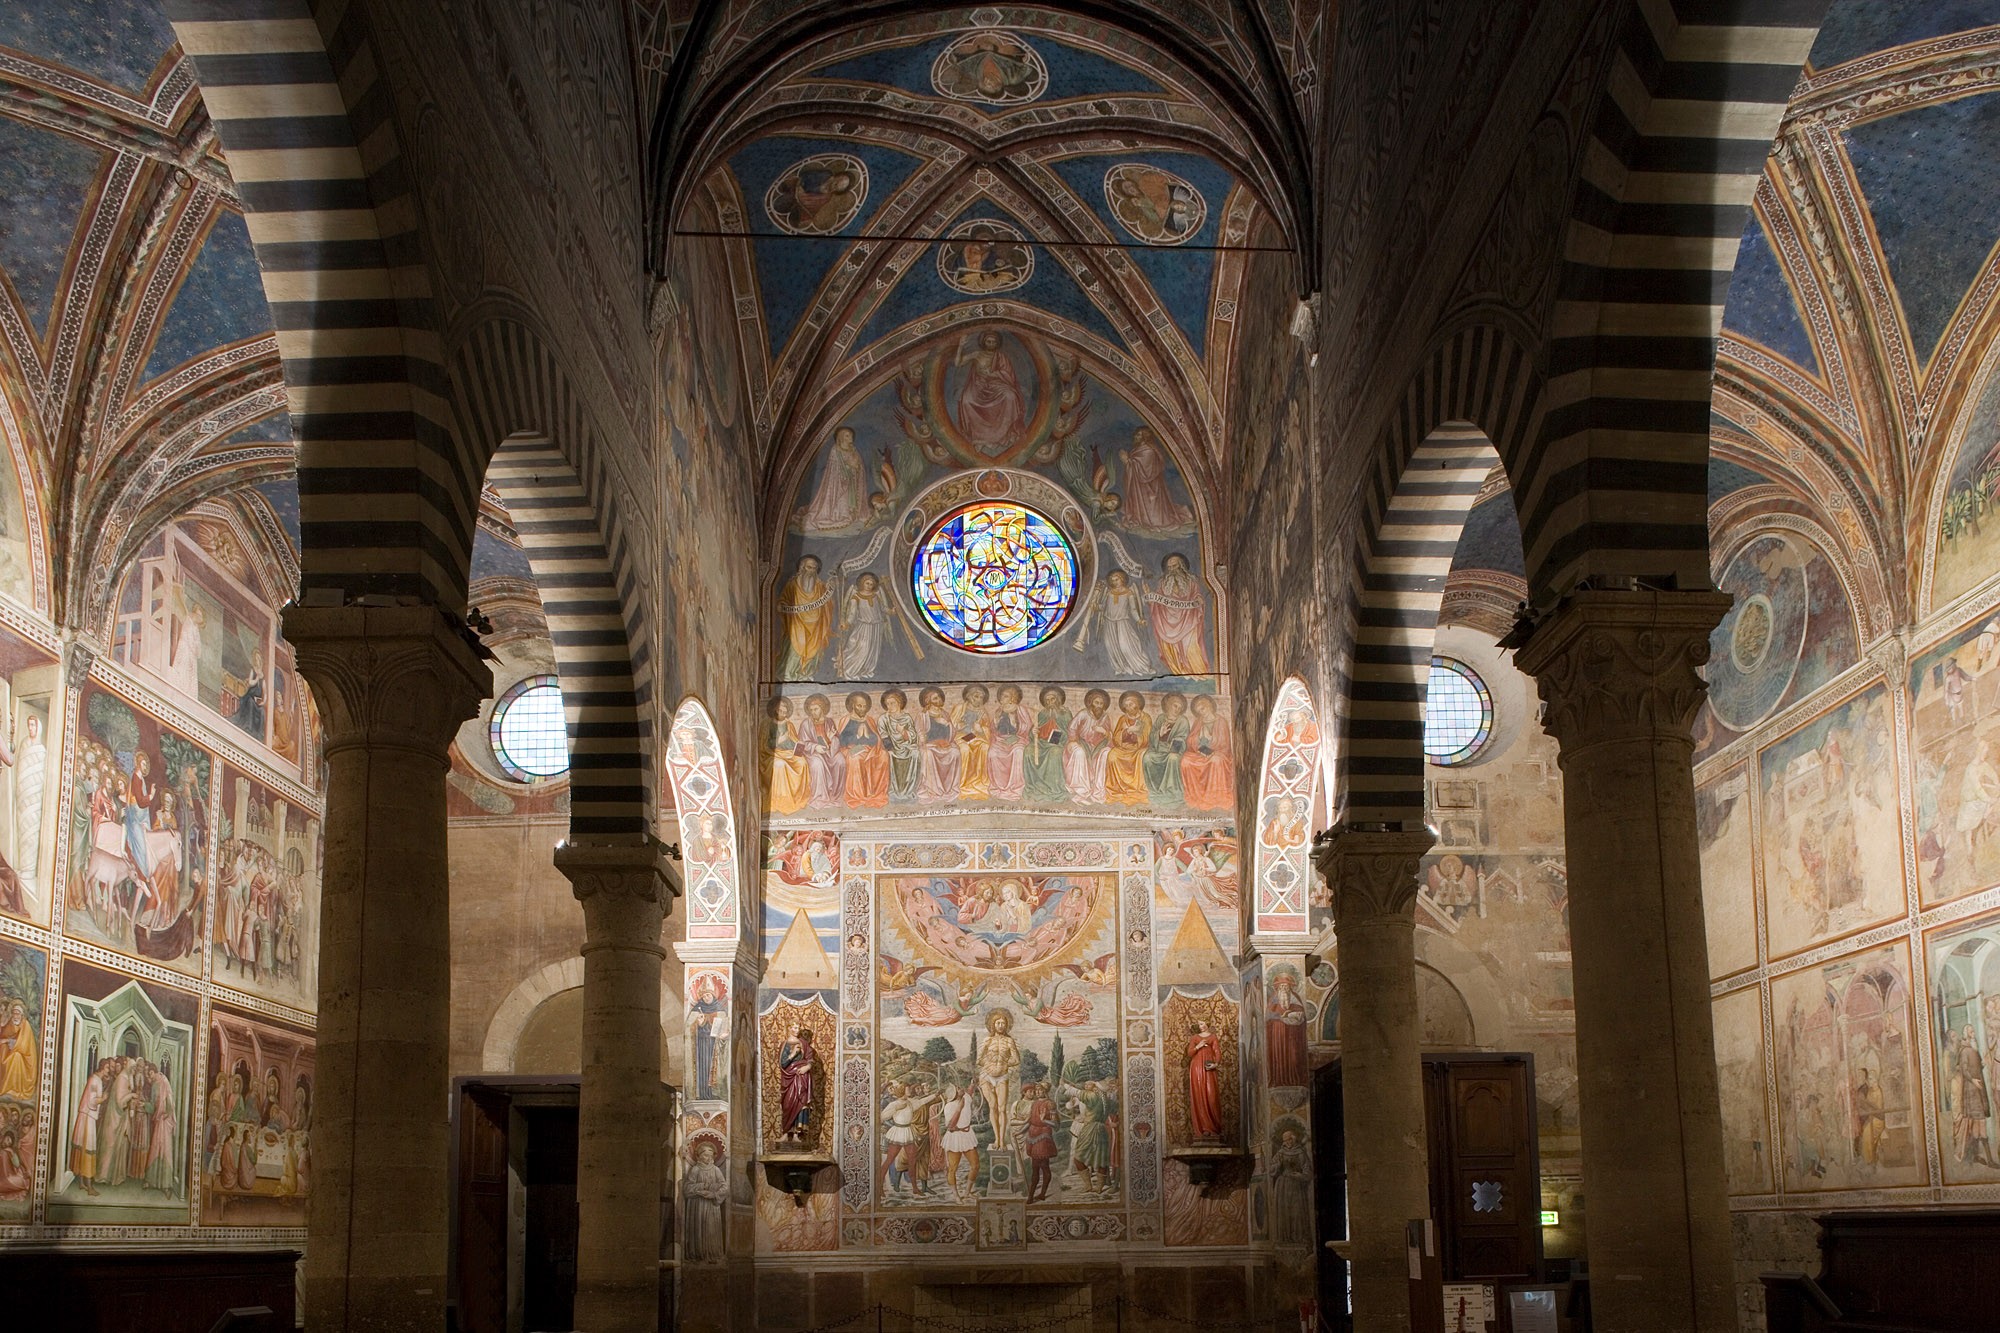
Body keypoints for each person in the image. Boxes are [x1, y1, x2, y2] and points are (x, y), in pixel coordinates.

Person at [953, 331, 1027, 457]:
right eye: (989, 341)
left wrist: (992, 375)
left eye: (993, 342)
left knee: (1010, 396)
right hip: (978, 386)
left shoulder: (1001, 357)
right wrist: (960, 347)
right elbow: (958, 363)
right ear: (984, 342)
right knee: (966, 400)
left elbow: (1008, 375)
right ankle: (978, 437)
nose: (991, 344)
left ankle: (1005, 435)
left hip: (996, 385)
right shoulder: (977, 354)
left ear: (997, 344)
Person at [1118, 428, 1193, 532]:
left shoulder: (1149, 451)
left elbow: (1145, 474)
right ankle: (1140, 518)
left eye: (1139, 435)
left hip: (1150, 487)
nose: (1136, 437)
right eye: (1136, 435)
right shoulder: (1137, 450)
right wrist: (1128, 461)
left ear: (1145, 437)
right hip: (1140, 487)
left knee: (1154, 510)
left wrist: (1127, 461)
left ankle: (1155, 521)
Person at [1146, 554, 1210, 673]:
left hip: (1188, 619)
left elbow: (1197, 595)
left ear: (1181, 566)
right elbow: (1158, 602)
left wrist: (1198, 599)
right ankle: (1180, 672)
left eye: (1174, 566)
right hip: (1167, 620)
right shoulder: (1163, 583)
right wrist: (1152, 601)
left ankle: (1198, 673)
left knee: (1190, 648)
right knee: (1172, 649)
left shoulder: (1191, 581)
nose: (1172, 569)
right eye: (1169, 567)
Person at [798, 427, 869, 532]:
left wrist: (856, 468)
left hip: (851, 482)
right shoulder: (835, 450)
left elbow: (859, 466)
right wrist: (848, 467)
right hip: (838, 485)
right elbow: (834, 472)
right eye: (847, 435)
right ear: (841, 437)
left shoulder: (853, 449)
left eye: (851, 435)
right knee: (842, 502)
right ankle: (840, 515)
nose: (850, 437)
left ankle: (850, 513)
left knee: (851, 501)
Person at [777, 556, 834, 678]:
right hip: (797, 622)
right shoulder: (792, 585)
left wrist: (832, 588)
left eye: (814, 568)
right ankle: (789, 673)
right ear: (802, 568)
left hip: (816, 625)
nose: (811, 571)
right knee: (795, 647)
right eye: (809, 567)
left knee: (814, 650)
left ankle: (806, 673)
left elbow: (828, 605)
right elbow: (783, 601)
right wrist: (783, 606)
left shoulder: (821, 587)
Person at [1090, 570, 1154, 675]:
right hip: (1109, 622)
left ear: (1122, 579)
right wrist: (1096, 606)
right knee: (1110, 646)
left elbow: (1133, 609)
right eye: (1113, 580)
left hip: (1122, 622)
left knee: (1126, 646)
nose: (1115, 582)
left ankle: (1141, 666)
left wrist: (1139, 620)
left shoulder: (1129, 592)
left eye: (1117, 579)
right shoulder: (1109, 592)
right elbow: (1103, 607)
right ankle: (1120, 668)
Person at [1181, 695, 1234, 811]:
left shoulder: (1221, 721)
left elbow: (1225, 744)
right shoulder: (1198, 722)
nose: (1201, 710)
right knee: (1185, 760)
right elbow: (1190, 741)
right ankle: (1195, 795)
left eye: (1203, 706)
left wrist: (1211, 741)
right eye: (1198, 709)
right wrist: (1197, 739)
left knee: (1216, 760)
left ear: (1210, 705)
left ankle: (1214, 796)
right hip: (1201, 753)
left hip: (1219, 753)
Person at [68, 1058, 112, 1195]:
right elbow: (92, 1102)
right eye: (108, 1068)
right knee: (88, 1149)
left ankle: (82, 1183)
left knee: (84, 1148)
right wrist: (103, 1099)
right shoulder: (95, 1081)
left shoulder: (96, 1079)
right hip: (88, 1118)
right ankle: (89, 1187)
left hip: (87, 1116)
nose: (109, 1071)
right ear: (103, 1067)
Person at [978, 1010, 1022, 1144]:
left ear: (1007, 1025)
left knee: (1002, 1108)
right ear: (993, 1025)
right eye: (998, 1023)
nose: (1001, 1025)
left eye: (1003, 1023)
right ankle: (996, 1139)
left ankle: (1002, 1140)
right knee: (992, 1106)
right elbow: (979, 1059)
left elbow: (1016, 1059)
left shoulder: (1009, 1041)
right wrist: (988, 1063)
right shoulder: (987, 1040)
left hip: (1002, 1076)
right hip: (986, 1076)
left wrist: (1004, 1063)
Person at [839, 693, 890, 809]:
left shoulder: (870, 720)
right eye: (859, 706)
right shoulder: (846, 720)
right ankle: (858, 795)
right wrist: (857, 736)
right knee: (855, 759)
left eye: (864, 706)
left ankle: (876, 793)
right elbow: (842, 741)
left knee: (883, 755)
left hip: (870, 749)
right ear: (852, 706)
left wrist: (866, 735)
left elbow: (877, 739)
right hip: (852, 749)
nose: (862, 709)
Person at [763, 699, 811, 816]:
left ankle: (798, 796)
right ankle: (781, 799)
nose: (782, 713)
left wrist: (799, 747)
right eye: (780, 711)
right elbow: (764, 745)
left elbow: (793, 741)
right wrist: (779, 740)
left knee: (802, 762)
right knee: (779, 764)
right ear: (775, 710)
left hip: (789, 753)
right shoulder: (767, 725)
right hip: (772, 754)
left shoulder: (789, 725)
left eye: (784, 712)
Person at [836, 571, 889, 678]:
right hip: (864, 627)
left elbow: (883, 608)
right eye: (867, 583)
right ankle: (850, 670)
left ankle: (866, 670)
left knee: (872, 651)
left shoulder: (876, 596)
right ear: (862, 583)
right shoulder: (856, 597)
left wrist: (891, 611)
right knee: (862, 649)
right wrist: (847, 623)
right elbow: (852, 613)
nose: (869, 586)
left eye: (871, 584)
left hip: (877, 626)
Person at [682, 1141, 729, 1263]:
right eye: (705, 1155)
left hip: (712, 1206)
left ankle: (712, 1254)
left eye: (710, 1155)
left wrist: (713, 1194)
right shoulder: (695, 1170)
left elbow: (724, 1187)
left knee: (711, 1229)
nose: (708, 1158)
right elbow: (687, 1188)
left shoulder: (716, 1170)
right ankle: (699, 1254)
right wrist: (703, 1187)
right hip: (697, 1206)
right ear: (698, 1156)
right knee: (699, 1229)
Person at [1063, 689, 1112, 804]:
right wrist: (1074, 740)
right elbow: (1072, 728)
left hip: (1097, 747)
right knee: (1079, 752)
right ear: (1091, 703)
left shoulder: (1105, 717)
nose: (1099, 706)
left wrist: (1104, 731)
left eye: (1101, 703)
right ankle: (1081, 792)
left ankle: (1098, 792)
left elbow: (1110, 736)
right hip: (1080, 743)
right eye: (1096, 703)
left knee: (1106, 753)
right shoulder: (1083, 714)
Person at [1105, 691, 1151, 806]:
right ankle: (1117, 789)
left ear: (1138, 704)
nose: (1129, 707)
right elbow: (1116, 738)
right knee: (1112, 755)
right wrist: (1126, 731)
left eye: (1131, 704)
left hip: (1138, 748)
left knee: (1142, 756)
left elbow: (1147, 738)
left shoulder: (1145, 718)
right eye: (1126, 705)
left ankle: (1137, 789)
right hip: (1124, 748)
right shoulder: (1122, 719)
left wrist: (1136, 733)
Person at [916, 687, 962, 803]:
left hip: (945, 744)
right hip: (930, 746)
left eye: (939, 697)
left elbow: (951, 735)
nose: (939, 700)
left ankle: (949, 788)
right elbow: (920, 732)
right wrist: (923, 738)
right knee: (927, 754)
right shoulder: (922, 715)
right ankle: (932, 789)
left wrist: (947, 724)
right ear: (928, 701)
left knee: (955, 752)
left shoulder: (944, 714)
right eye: (935, 698)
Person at [939, 1078, 981, 1202]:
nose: (960, 1088)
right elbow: (950, 1126)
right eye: (957, 1088)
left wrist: (972, 1084)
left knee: (975, 1165)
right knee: (952, 1168)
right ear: (954, 1093)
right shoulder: (949, 1106)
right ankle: (956, 1195)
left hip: (967, 1135)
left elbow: (970, 1091)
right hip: (955, 1137)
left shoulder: (966, 1098)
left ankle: (967, 1192)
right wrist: (959, 1108)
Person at [1026, 686, 1070, 804]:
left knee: (1054, 753)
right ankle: (1034, 785)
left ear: (1058, 699)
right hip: (1041, 743)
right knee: (1028, 750)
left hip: (1057, 743)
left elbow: (1069, 731)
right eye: (1047, 700)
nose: (1050, 703)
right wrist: (1033, 732)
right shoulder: (1042, 713)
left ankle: (1054, 788)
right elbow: (1034, 730)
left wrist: (1055, 740)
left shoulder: (1065, 713)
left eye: (1053, 699)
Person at [1143, 693, 1189, 805]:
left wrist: (1172, 746)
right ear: (1168, 705)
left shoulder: (1183, 721)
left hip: (1173, 750)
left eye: (1180, 707)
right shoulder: (1161, 718)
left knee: (1173, 758)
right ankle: (1155, 789)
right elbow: (1152, 735)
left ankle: (1171, 790)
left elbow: (1182, 738)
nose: (1177, 709)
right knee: (1148, 757)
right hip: (1159, 749)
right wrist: (1159, 733)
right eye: (1175, 706)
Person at [1266, 971, 1309, 1089]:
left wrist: (1293, 1016)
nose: (1284, 989)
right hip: (1277, 1036)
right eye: (1281, 987)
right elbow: (1267, 1017)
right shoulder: (1273, 1001)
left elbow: (1301, 1017)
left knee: (1294, 1057)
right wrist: (1279, 1017)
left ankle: (1296, 1079)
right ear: (1277, 988)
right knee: (1278, 1058)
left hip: (1292, 1037)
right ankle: (1277, 1080)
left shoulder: (1296, 1000)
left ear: (1290, 988)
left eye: (1286, 986)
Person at [1270, 1128, 1312, 1245]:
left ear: (1293, 1139)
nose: (1287, 1142)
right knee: (1284, 1211)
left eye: (1288, 1139)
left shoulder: (1300, 1152)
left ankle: (1298, 1238)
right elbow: (1272, 1168)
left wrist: (1300, 1175)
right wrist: (1277, 1165)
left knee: (1297, 1211)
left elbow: (1307, 1170)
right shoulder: (1280, 1152)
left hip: (1296, 1185)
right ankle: (1284, 1238)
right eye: (1285, 1140)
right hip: (1282, 1184)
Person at [777, 1027, 818, 1145]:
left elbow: (810, 1059)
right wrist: (793, 1054)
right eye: (795, 1027)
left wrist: (807, 1067)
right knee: (788, 1104)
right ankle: (785, 1133)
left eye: (798, 1028)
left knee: (800, 1103)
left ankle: (796, 1134)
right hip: (788, 1078)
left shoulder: (803, 1044)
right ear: (789, 1028)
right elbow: (783, 1064)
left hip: (801, 1077)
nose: (797, 1030)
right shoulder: (784, 1044)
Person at [879, 689, 920, 802]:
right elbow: (884, 735)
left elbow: (913, 736)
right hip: (892, 748)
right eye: (887, 704)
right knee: (889, 756)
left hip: (906, 746)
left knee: (916, 753)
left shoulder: (906, 717)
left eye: (892, 703)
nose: (890, 706)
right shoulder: (884, 719)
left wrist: (903, 732)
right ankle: (895, 790)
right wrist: (890, 749)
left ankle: (908, 790)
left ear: (899, 703)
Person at [1187, 1019, 1224, 1141]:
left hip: (1209, 1068)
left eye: (1202, 1024)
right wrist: (1198, 1046)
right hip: (1197, 1068)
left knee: (1211, 1096)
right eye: (1199, 1024)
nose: (1200, 1026)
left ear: (1207, 1024)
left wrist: (1216, 1064)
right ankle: (1203, 1129)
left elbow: (1217, 1051)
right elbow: (1190, 1053)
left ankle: (1213, 1128)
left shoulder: (1213, 1037)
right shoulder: (1195, 1038)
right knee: (1199, 1097)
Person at [1021, 1082, 1059, 1203]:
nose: (1037, 1092)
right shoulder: (1034, 1103)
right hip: (1032, 1136)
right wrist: (1020, 1132)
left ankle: (1033, 1196)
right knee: (1040, 1167)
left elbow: (1056, 1125)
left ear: (1045, 1091)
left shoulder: (1050, 1104)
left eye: (1040, 1090)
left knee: (1039, 1167)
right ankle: (1038, 1195)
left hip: (1043, 1137)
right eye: (1036, 1090)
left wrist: (1045, 1121)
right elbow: (1030, 1121)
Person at [954, 685, 993, 801]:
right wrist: (957, 726)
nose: (979, 699)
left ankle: (979, 782)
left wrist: (980, 729)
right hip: (961, 737)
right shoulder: (960, 708)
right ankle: (964, 783)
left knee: (985, 747)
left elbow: (987, 731)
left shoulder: (983, 712)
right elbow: (949, 727)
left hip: (975, 737)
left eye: (981, 697)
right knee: (965, 749)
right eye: (976, 696)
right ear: (968, 696)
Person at [0, 998, 35, 1102]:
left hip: (26, 1059)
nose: (16, 1016)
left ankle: (13, 1088)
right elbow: (4, 1037)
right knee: (3, 1048)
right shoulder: (11, 1023)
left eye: (18, 1013)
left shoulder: (26, 1025)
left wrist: (6, 1040)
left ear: (22, 1015)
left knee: (16, 1056)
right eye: (14, 1013)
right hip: (10, 1053)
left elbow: (23, 1045)